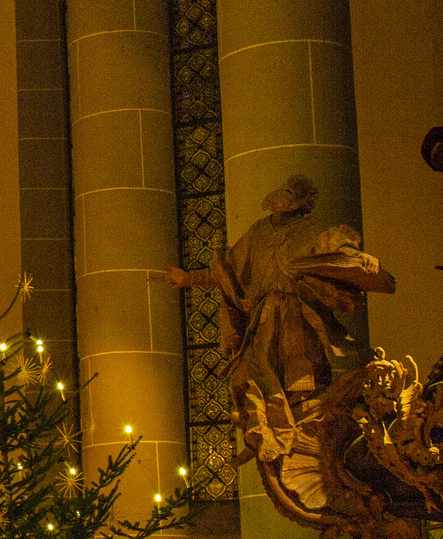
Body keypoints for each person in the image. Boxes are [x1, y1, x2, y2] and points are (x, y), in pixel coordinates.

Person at [154, 175, 395, 496]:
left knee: (296, 373)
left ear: (300, 203)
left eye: (290, 198)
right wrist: (189, 279)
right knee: (247, 373)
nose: (282, 205)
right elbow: (231, 269)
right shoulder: (259, 230)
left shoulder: (314, 230)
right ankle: (269, 427)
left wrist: (357, 260)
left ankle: (292, 429)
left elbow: (337, 255)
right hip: (264, 310)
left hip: (296, 311)